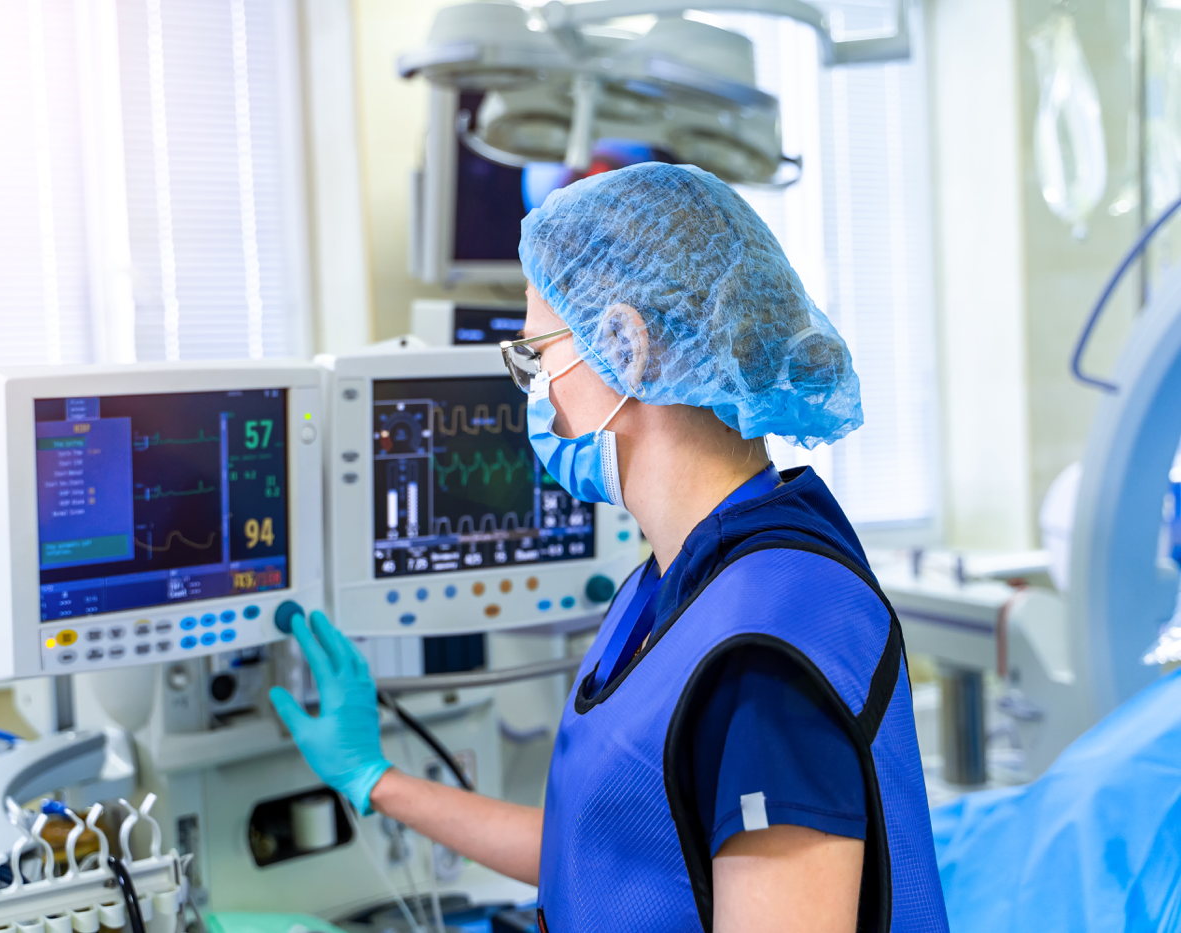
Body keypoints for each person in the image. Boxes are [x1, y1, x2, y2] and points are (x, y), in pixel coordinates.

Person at [270, 163, 948, 932]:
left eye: (538, 356)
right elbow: (608, 857)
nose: (537, 393)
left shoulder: (763, 647)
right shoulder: (676, 583)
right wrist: (376, 778)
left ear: (625, 345)